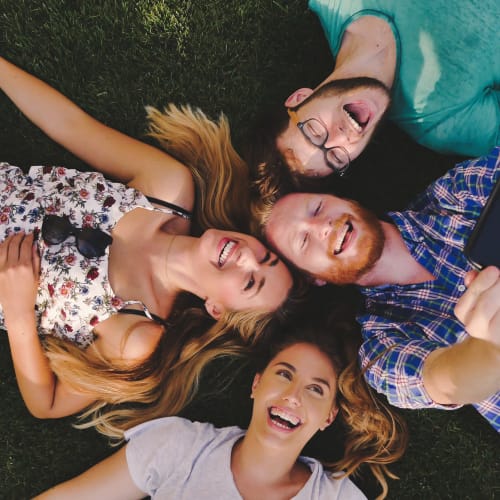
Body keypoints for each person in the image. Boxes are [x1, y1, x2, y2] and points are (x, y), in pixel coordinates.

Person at [0, 56, 293, 437]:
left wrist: (18, 310)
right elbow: (70, 125)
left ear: (217, 309)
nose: (248, 258)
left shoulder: (138, 335)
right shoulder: (167, 188)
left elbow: (48, 403)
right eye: (265, 256)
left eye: (251, 282)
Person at [34, 309, 408, 500]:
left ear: (328, 417)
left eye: (315, 390)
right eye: (283, 374)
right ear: (256, 384)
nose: (293, 395)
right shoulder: (180, 447)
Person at [252, 147, 500, 432]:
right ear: (314, 278)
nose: (323, 226)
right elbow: (444, 380)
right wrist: (490, 350)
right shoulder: (382, 344)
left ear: (342, 200)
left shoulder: (456, 194)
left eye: (318, 208)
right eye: (304, 241)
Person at [247, 0, 499, 178]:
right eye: (336, 158)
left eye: (314, 133)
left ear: (300, 98)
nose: (341, 138)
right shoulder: (440, 122)